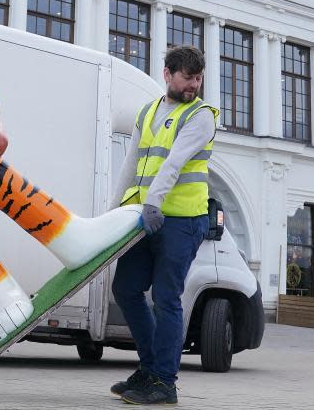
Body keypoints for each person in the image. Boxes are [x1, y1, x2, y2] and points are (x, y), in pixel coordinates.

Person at [108, 45, 219, 405]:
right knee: (125, 288)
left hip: (182, 221)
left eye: (198, 78)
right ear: (168, 74)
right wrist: (111, 213)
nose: (194, 85)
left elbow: (174, 163)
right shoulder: (149, 111)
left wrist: (153, 204)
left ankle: (164, 382)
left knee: (166, 298)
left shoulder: (201, 116)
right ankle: (150, 367)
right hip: (146, 217)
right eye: (188, 78)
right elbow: (131, 163)